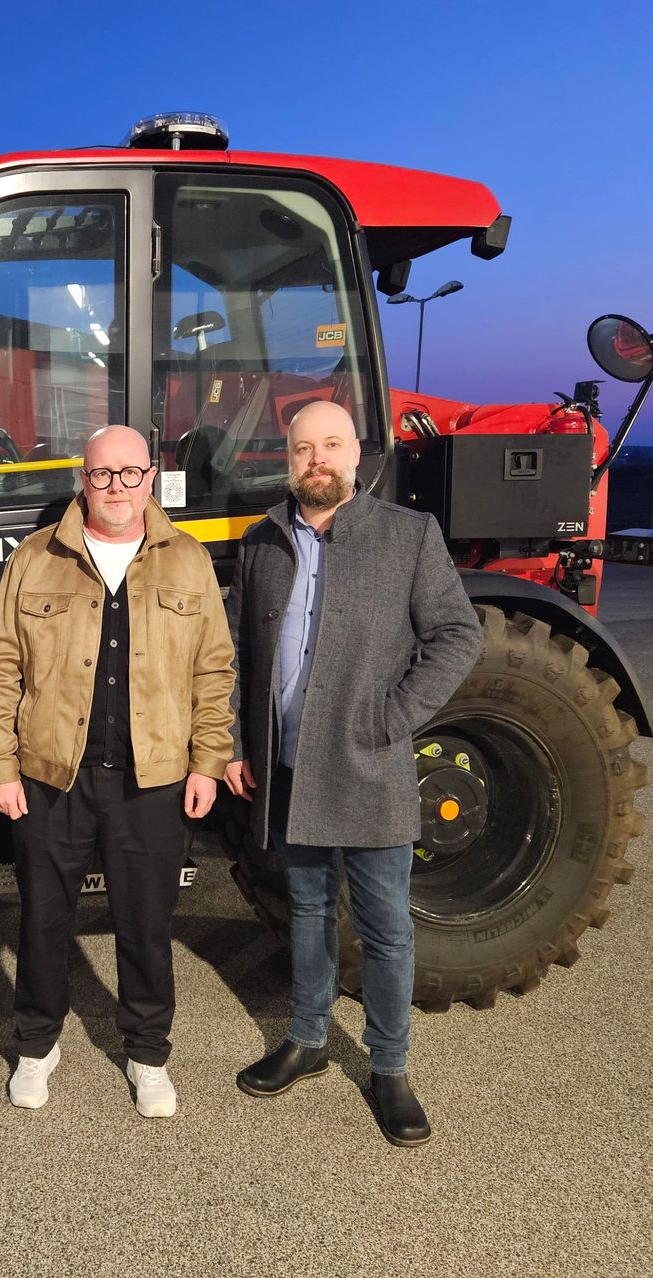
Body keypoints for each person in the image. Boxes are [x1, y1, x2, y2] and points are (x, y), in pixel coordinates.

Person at [224, 400, 482, 1146]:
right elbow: (242, 655)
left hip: (368, 766)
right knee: (307, 911)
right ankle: (306, 1039)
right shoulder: (263, 541)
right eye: (304, 448)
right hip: (289, 766)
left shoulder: (407, 536)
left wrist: (393, 719)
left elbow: (457, 635)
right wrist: (243, 743)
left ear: (357, 455)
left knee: (387, 928)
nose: (317, 460)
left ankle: (390, 1067)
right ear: (289, 457)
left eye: (330, 446)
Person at [0, 425, 235, 1118]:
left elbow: (214, 670)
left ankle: (148, 1053)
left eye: (129, 473)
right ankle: (37, 1047)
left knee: (146, 924)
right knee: (43, 920)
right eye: (101, 475)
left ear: (151, 478)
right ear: (82, 480)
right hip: (49, 775)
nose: (115, 487)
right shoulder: (36, 558)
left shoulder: (189, 562)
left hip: (152, 780)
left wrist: (207, 761)